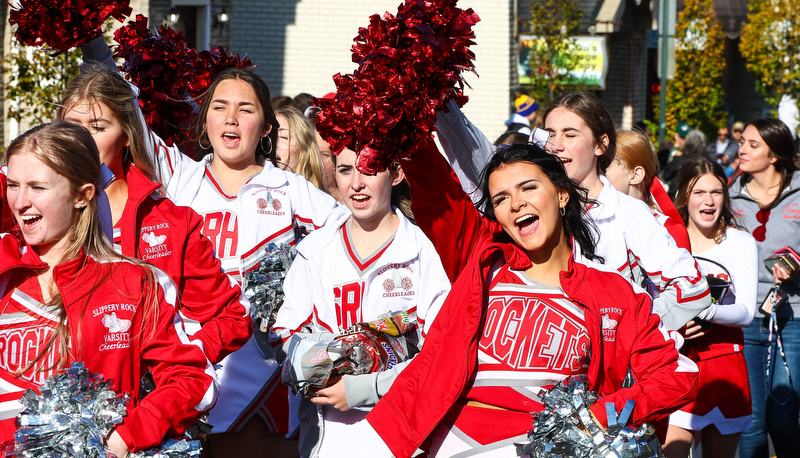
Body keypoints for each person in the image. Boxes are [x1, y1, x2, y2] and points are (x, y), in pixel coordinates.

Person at [80, 37, 339, 457]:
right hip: (181, 365)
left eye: (246, 108)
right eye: (219, 107)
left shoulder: (292, 190)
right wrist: (91, 36)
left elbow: (348, 239)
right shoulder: (180, 178)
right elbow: (127, 105)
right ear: (204, 125)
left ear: (267, 127)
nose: (231, 118)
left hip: (265, 368)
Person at [362, 141, 698, 457]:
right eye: (501, 198)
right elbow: (436, 188)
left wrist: (602, 414)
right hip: (456, 444)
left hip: (546, 448)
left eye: (528, 187)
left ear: (562, 195)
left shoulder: (612, 290)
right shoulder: (481, 257)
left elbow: (678, 375)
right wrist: (403, 115)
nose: (516, 203)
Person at [0, 122, 218, 456]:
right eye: (13, 185)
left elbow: (193, 380)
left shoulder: (135, 282)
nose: (21, 201)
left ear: (81, 195)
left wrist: (126, 436)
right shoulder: (4, 269)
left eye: (37, 187)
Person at [435, 94, 710, 331]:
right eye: (550, 133)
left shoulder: (627, 212)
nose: (556, 145)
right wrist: (438, 99)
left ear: (601, 144)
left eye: (570, 134)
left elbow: (693, 288)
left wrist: (629, 331)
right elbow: (472, 151)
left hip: (603, 382)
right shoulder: (531, 199)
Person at [57, 60, 251, 366]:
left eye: (97, 127)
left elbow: (232, 319)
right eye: (71, 127)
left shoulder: (171, 221)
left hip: (147, 407)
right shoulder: (33, 213)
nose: (81, 140)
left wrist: (176, 363)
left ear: (127, 135)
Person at [272, 148, 449, 457]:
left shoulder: (424, 251)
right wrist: (322, 361)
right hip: (325, 437)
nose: (356, 184)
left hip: (402, 437)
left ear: (396, 174)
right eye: (344, 170)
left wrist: (365, 387)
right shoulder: (314, 250)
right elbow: (284, 338)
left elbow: (439, 354)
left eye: (369, 170)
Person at [664, 157, 757, 458]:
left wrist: (703, 311)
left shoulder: (740, 242)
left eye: (716, 192)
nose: (708, 201)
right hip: (676, 363)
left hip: (724, 365)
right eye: (698, 192)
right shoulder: (665, 241)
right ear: (684, 197)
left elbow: (746, 312)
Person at [729, 118, 800, 458]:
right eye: (742, 142)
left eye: (752, 144)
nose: (742, 149)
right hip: (746, 317)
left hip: (793, 317)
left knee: (785, 420)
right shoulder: (728, 195)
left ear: (774, 155)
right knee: (752, 421)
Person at [605, 129, 690, 250]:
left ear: (635, 175)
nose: (598, 176)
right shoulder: (599, 223)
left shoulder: (669, 230)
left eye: (605, 167)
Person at [275, 106, 328, 192]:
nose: (272, 142)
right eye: (268, 137)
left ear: (305, 150)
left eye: (283, 137)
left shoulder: (323, 201)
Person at [663, 129, 707, 198]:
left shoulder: (680, 158)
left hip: (677, 198)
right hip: (699, 197)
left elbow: (665, 176)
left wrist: (673, 159)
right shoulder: (707, 161)